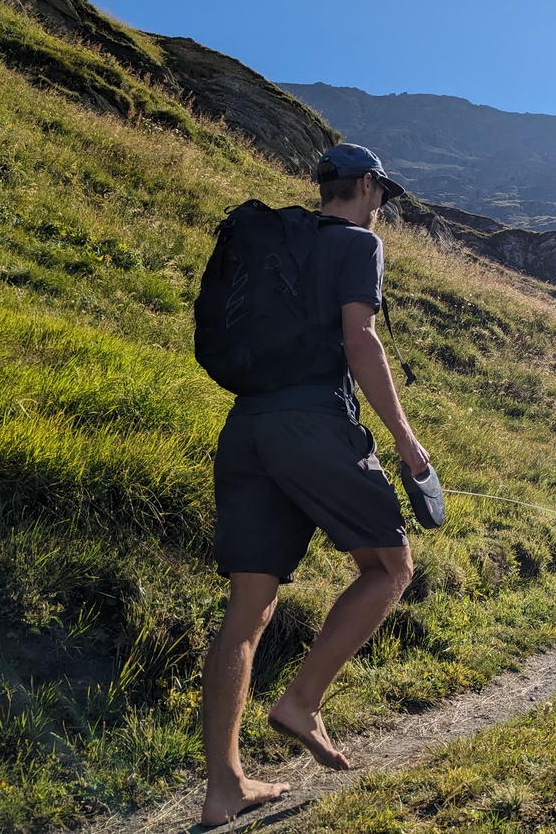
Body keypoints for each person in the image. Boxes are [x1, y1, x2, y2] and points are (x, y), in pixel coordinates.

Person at [200, 144, 430, 826]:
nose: (381, 210)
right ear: (365, 186)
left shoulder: (281, 244)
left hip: (247, 427)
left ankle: (223, 789)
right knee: (390, 566)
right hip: (313, 422)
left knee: (248, 608)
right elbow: (360, 340)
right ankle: (302, 701)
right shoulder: (357, 244)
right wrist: (405, 439)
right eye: (382, 198)